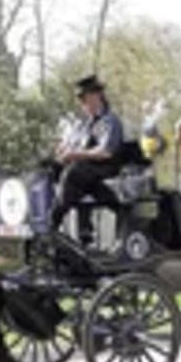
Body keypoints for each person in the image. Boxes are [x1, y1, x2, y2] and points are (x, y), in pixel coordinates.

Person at [49, 74, 124, 245]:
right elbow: (73, 143)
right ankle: (82, 230)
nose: (82, 105)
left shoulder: (109, 121)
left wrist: (75, 154)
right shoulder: (83, 124)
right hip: (86, 170)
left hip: (104, 167)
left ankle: (53, 224)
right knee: (51, 168)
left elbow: (105, 152)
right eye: (81, 101)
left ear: (97, 96)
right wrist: (64, 150)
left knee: (74, 173)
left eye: (85, 99)